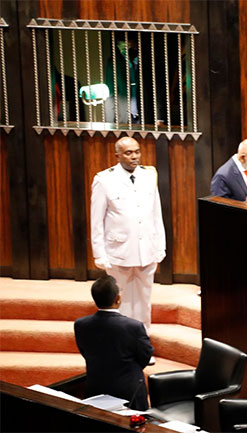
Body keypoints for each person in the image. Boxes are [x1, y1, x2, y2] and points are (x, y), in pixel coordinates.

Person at [90, 136, 165, 345]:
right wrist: (99, 254)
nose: (134, 157)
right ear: (117, 156)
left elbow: (155, 213)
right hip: (119, 250)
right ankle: (121, 343)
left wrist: (160, 245)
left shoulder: (149, 176)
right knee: (120, 300)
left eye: (137, 152)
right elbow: (96, 220)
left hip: (146, 249)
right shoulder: (104, 180)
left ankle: (142, 342)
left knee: (144, 300)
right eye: (128, 153)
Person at [74, 275, 154, 410]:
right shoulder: (134, 326)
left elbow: (84, 351)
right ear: (118, 299)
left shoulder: (81, 324)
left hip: (96, 386)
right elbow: (145, 356)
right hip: (129, 391)